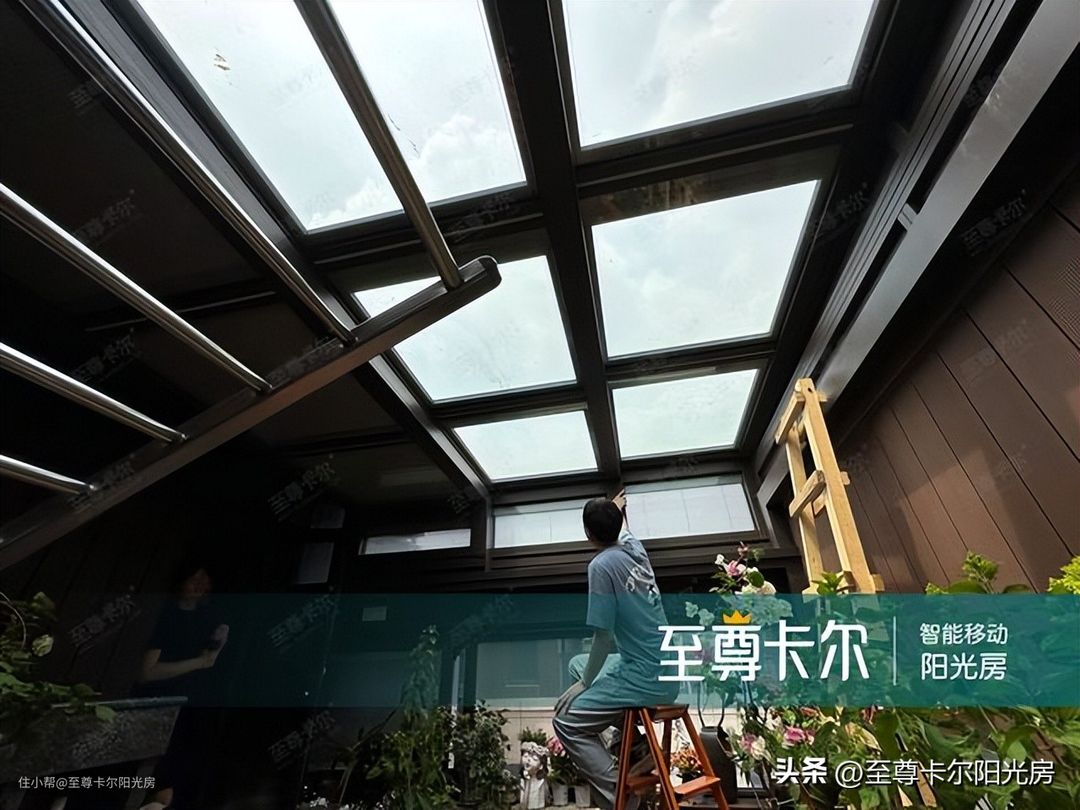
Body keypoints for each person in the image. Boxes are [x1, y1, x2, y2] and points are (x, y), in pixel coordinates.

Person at [552, 490, 680, 810]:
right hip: (667, 667)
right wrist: (617, 508)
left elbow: (603, 635)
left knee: (565, 722)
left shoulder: (601, 566)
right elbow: (625, 530)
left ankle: (621, 793)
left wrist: (586, 684)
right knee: (577, 663)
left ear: (588, 533)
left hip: (644, 676)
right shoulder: (636, 550)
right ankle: (636, 745)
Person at [136, 560, 229, 810]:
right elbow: (147, 672)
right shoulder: (167, 616)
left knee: (169, 784)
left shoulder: (207, 619)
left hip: (188, 711)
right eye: (193, 579)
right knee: (154, 780)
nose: (200, 585)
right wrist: (201, 662)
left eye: (204, 579)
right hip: (156, 707)